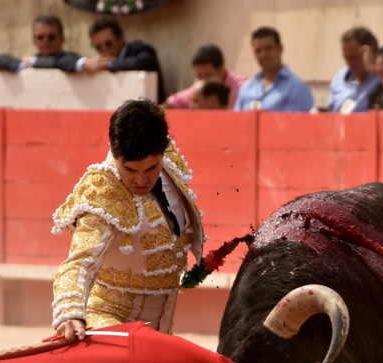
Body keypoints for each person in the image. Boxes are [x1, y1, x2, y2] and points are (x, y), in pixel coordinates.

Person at [51, 98, 205, 342]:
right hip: (109, 319)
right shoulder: (103, 192)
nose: (142, 180)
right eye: (130, 170)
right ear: (114, 153)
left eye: (151, 168)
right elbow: (79, 262)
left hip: (161, 325)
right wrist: (69, 311)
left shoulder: (169, 165)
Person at [79, 16, 167, 103]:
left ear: (121, 38)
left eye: (108, 44)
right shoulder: (98, 65)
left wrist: (109, 64)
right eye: (98, 47)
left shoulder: (139, 49)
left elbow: (141, 62)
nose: (104, 50)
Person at [234, 26, 314, 112]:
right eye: (258, 50)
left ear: (280, 48)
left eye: (268, 49)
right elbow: (236, 122)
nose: (263, 54)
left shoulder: (296, 88)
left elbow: (293, 124)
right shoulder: (247, 88)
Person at [163, 43, 245, 110]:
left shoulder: (243, 88)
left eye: (208, 75)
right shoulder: (199, 86)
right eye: (199, 76)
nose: (203, 80)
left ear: (221, 70)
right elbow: (173, 103)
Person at [0, 15, 81, 74]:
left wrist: (34, 63)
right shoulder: (29, 62)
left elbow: (69, 63)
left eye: (51, 37)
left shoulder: (71, 59)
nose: (46, 41)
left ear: (62, 39)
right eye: (40, 37)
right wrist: (22, 65)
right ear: (34, 40)